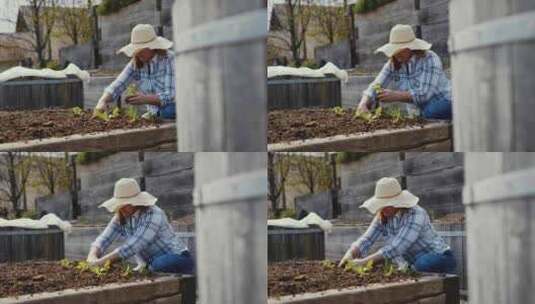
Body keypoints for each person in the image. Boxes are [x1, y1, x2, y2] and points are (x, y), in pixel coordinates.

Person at [338, 177, 456, 274]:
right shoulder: (383, 215)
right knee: (410, 268)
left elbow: (396, 247)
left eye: (387, 204)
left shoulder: (415, 213)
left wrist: (363, 262)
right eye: (381, 205)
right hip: (413, 264)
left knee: (422, 263)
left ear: (398, 202)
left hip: (440, 258)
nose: (383, 208)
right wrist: (349, 254)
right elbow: (366, 239)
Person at [86, 178, 193, 274]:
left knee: (159, 264)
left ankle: (148, 269)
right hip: (151, 263)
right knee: (153, 266)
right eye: (120, 205)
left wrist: (101, 262)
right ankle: (147, 268)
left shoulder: (153, 213)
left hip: (178, 258)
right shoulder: (121, 216)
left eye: (126, 204)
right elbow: (103, 239)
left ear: (136, 202)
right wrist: (92, 256)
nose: (122, 208)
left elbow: (134, 245)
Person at [357, 24, 452, 120]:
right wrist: (363, 103)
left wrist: (396, 95)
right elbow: (376, 84)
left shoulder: (429, 58)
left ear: (410, 48)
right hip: (421, 111)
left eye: (399, 49)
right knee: (422, 115)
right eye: (394, 49)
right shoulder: (394, 63)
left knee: (431, 111)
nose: (395, 53)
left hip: (445, 101)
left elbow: (425, 94)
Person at [94, 24, 176, 119]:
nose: (137, 53)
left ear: (152, 47)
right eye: (135, 49)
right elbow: (119, 84)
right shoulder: (137, 62)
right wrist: (103, 101)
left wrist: (146, 99)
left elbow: (171, 96)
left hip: (174, 111)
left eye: (140, 49)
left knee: (168, 111)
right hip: (153, 113)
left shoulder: (169, 59)